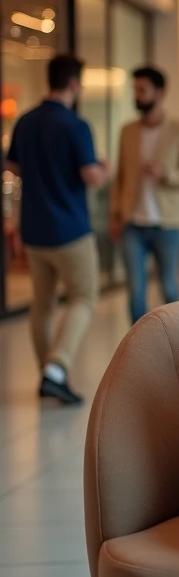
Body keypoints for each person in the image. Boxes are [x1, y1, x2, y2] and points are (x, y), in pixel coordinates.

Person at [3, 54, 108, 404]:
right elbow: (91, 176)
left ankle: (47, 374)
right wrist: (105, 168)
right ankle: (57, 368)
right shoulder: (76, 126)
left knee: (42, 303)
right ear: (74, 84)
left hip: (35, 230)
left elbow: (12, 166)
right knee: (84, 296)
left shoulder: (25, 121)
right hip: (70, 230)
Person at [110, 66, 179, 324]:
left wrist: (167, 174)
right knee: (135, 293)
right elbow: (120, 177)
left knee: (170, 288)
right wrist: (115, 214)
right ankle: (139, 345)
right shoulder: (127, 131)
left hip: (168, 225)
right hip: (132, 223)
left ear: (159, 94)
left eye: (142, 90)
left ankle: (177, 341)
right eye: (135, 90)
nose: (136, 95)